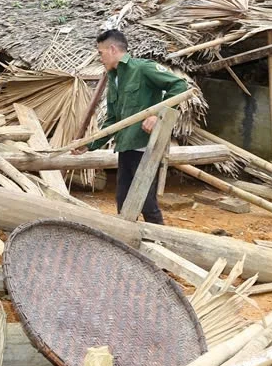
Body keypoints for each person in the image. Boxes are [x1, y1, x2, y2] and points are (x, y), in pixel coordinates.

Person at [73, 29, 188, 224]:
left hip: (146, 146)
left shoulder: (142, 68)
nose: (100, 58)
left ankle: (159, 242)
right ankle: (127, 243)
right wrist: (90, 144)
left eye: (100, 53)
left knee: (146, 201)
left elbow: (180, 86)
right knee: (123, 200)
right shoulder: (114, 79)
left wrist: (158, 114)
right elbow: (112, 121)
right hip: (126, 147)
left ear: (112, 49)